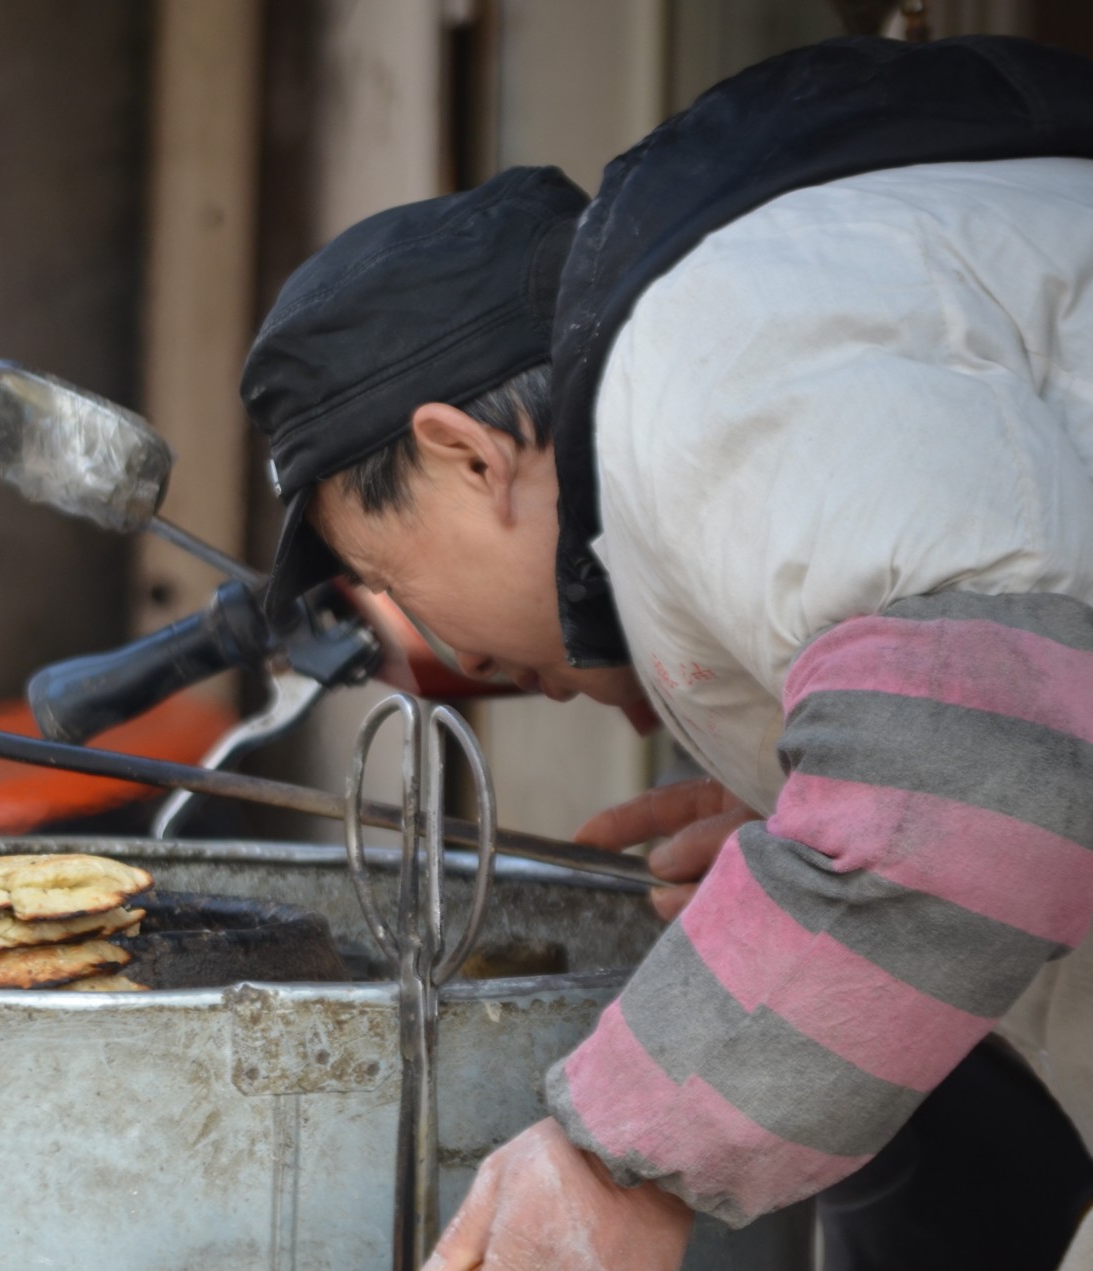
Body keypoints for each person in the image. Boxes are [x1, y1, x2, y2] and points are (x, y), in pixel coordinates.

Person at [242, 35, 1093, 1270]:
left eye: (383, 570)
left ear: (465, 455)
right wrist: (814, 824)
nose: (429, 638)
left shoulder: (707, 358)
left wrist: (621, 1156)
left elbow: (970, 779)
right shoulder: (774, 315)